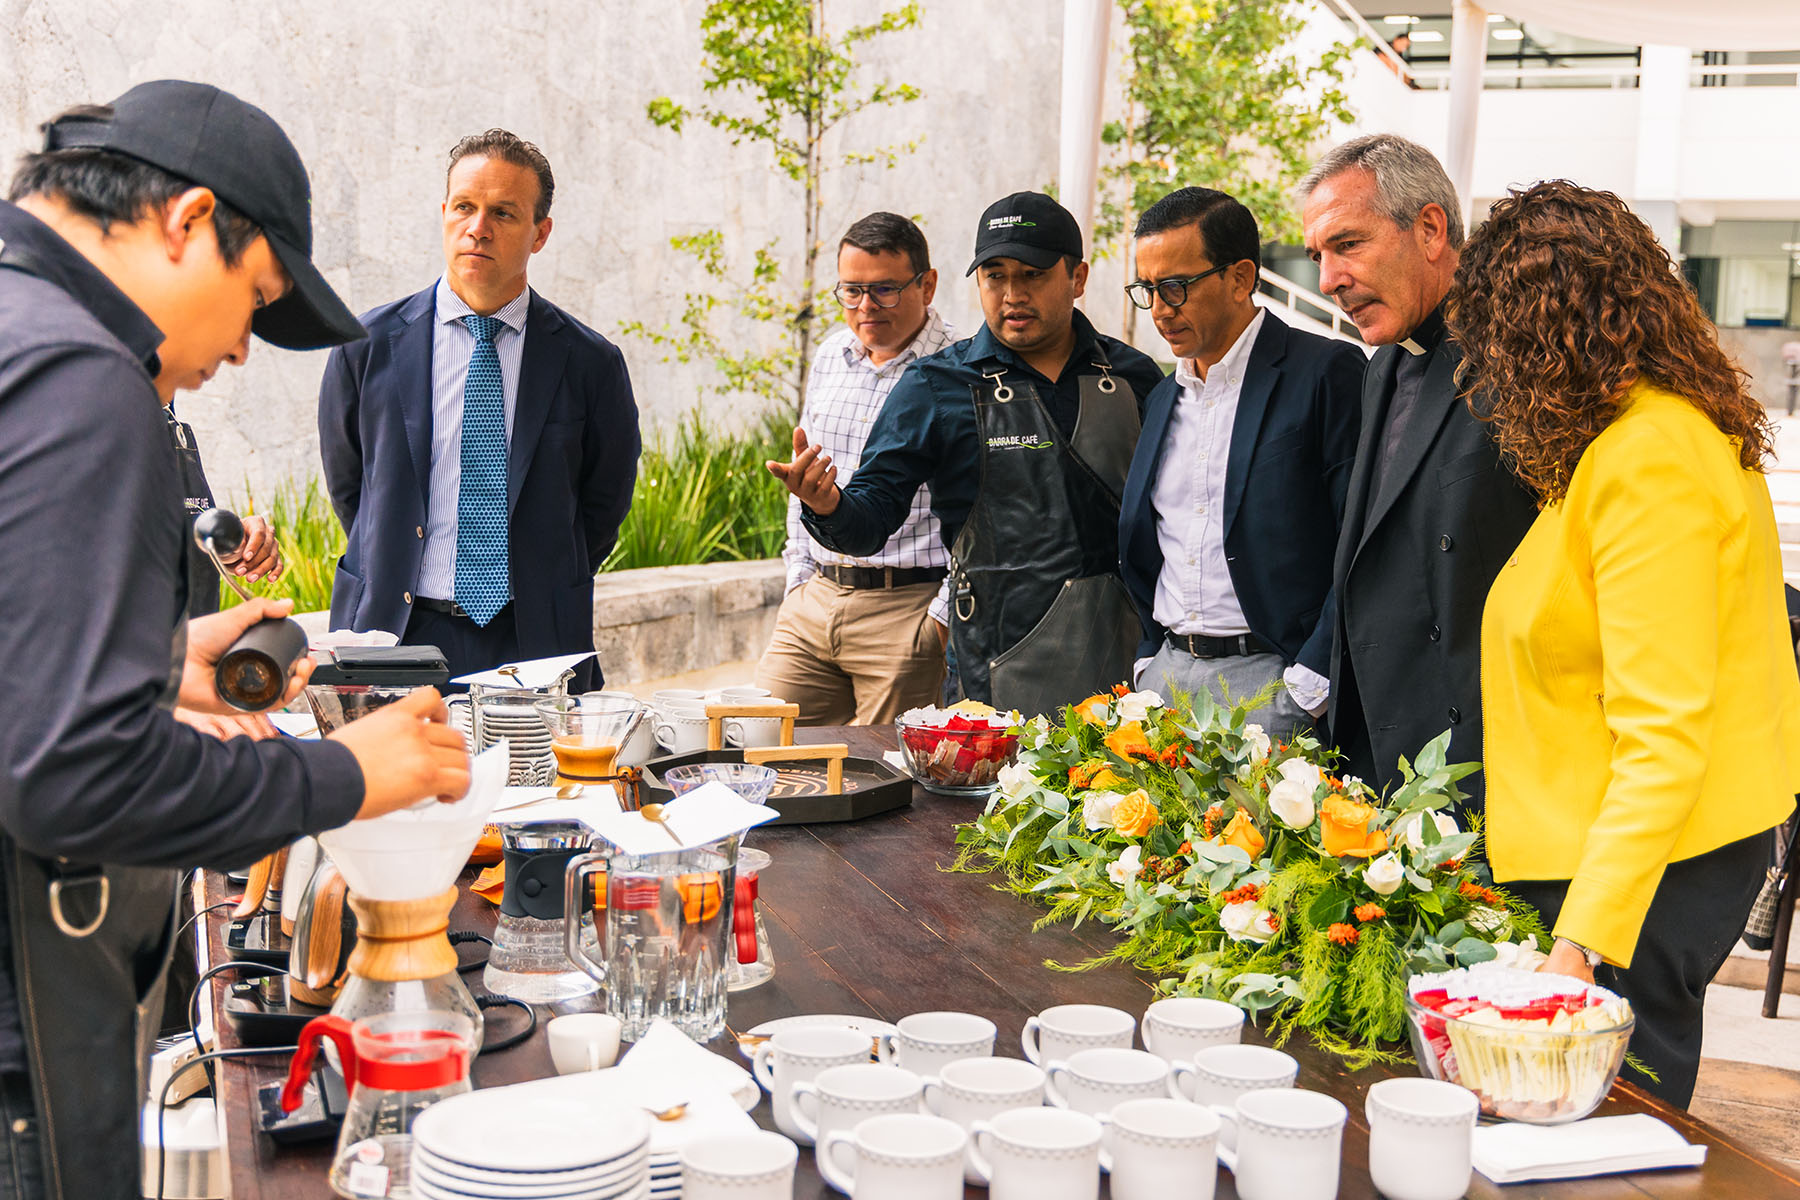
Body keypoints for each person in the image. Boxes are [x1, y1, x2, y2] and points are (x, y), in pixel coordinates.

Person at [0, 81, 469, 1199]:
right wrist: (342, 774)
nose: (248, 351)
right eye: (257, 299)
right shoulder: (81, 375)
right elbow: (69, 774)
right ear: (188, 219)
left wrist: (155, 660)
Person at [1450, 180, 1800, 1108]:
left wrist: (1582, 945)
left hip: (1639, 879)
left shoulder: (1651, 456)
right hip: (1611, 859)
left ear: (1542, 331)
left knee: (1610, 1145)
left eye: (1495, 341)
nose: (1488, 373)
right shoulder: (1624, 441)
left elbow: (1666, 733)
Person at [770, 192, 1164, 716]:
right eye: (995, 276)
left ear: (1078, 278)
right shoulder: (937, 384)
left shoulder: (1133, 377)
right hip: (995, 663)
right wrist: (827, 506)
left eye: (1032, 274)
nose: (1011, 294)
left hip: (1122, 653)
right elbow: (871, 517)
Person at [319, 129, 641, 688]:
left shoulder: (591, 362)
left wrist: (541, 574)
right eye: (465, 207)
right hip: (395, 631)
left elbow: (601, 507)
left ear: (540, 233)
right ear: (444, 213)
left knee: (540, 779)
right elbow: (352, 487)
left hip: (534, 638)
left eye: (504, 213)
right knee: (394, 779)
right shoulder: (365, 346)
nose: (478, 228)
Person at [1298, 134, 1536, 810]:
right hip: (1375, 759)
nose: (1327, 280)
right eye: (1319, 256)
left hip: (1475, 771)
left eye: (1348, 244)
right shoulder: (1380, 367)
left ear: (1430, 229)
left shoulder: (1524, 363)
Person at [1118, 186, 1363, 734]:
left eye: (1176, 287)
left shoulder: (1324, 373)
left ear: (1240, 277)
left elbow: (1363, 540)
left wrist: (1308, 687)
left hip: (1277, 682)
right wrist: (1148, 661)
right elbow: (1149, 541)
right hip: (1166, 681)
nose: (1159, 310)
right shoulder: (1161, 397)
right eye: (1147, 289)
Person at [754, 213, 957, 724]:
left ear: (927, 284)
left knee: (892, 785)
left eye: (885, 290)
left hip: (908, 610)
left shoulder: (962, 367)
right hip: (814, 601)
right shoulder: (829, 355)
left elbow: (990, 511)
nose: (865, 307)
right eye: (851, 290)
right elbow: (804, 479)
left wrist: (940, 620)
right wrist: (798, 579)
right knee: (758, 746)